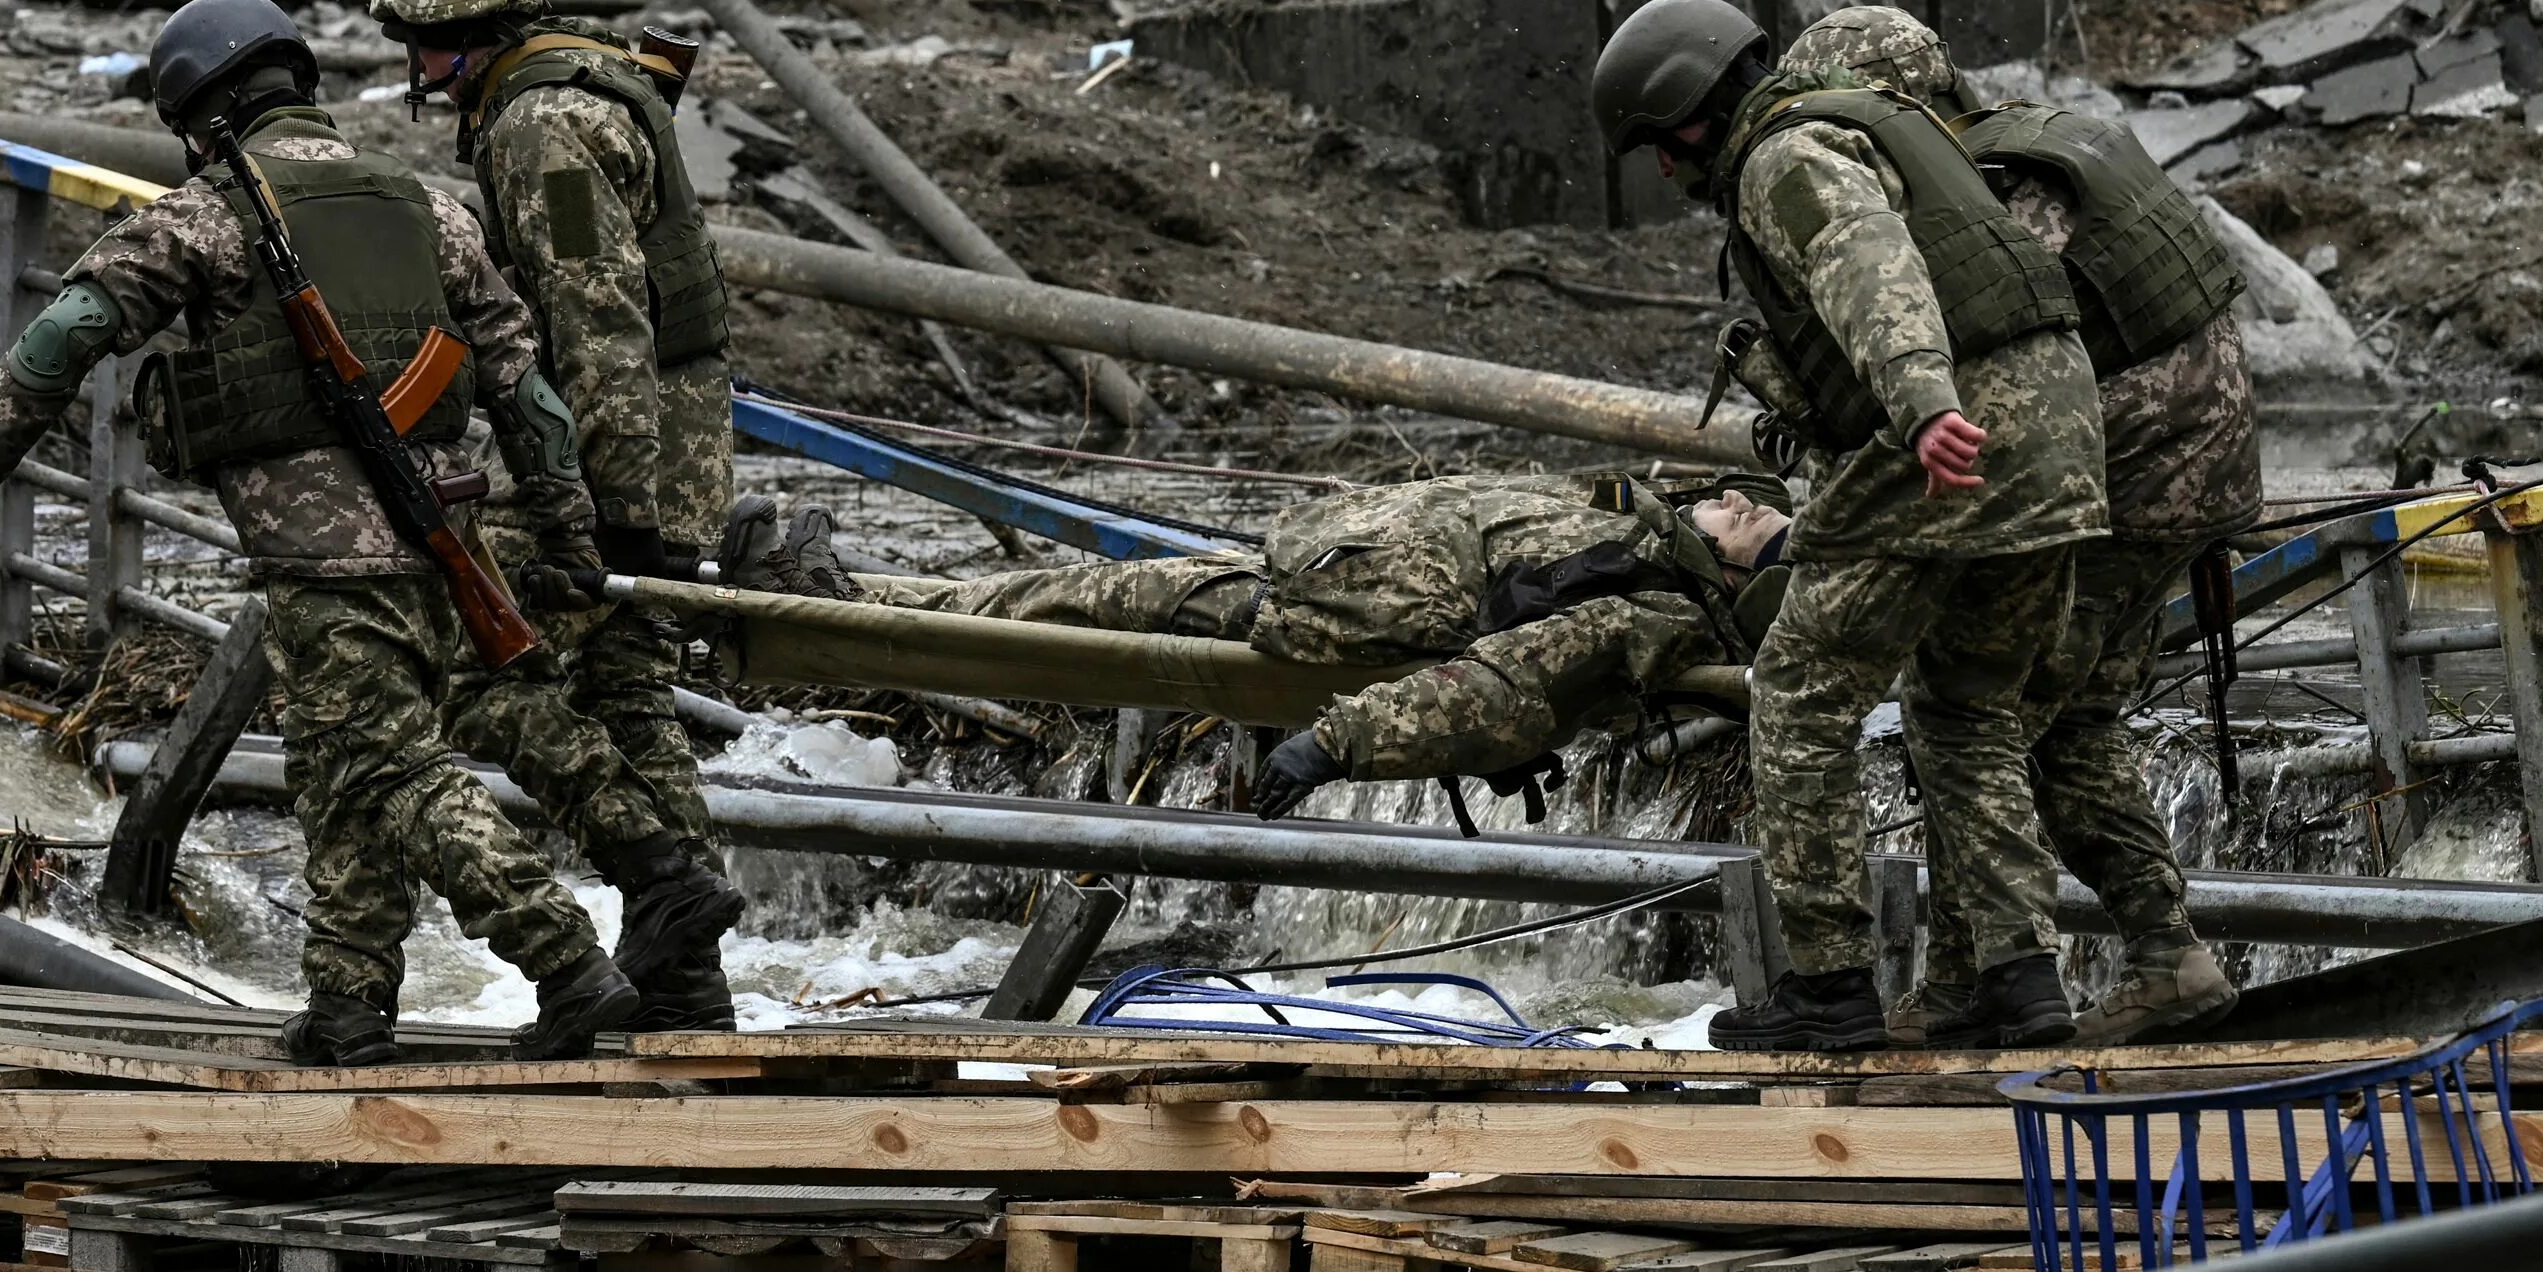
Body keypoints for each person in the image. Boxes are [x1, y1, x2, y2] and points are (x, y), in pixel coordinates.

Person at [0, 0, 637, 1065]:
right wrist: (569, 533)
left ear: (205, 114)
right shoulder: (429, 206)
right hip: (445, 539)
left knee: (394, 772)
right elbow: (525, 388)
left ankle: (572, 964)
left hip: (327, 554)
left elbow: (73, 326)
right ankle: (350, 1005)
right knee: (342, 769)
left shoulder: (209, 214)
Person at [1591, 0, 2110, 1051]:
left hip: (1951, 441)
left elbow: (1872, 265)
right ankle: (2021, 976)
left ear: (1692, 115)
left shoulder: (1787, 157)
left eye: (1658, 145)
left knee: (1798, 694)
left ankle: (1829, 986)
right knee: (1968, 709)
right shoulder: (1881, 127)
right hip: (2061, 441)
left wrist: (1921, 401)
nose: (1662, 172)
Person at [1781, 8, 2253, 1048]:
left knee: (1973, 705)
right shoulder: (2056, 132)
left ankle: (2035, 974)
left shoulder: (1987, 182)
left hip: (2121, 474)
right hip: (2199, 460)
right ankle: (2118, 959)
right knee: (2062, 717)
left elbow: (1995, 336)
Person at [366, 0, 743, 1029]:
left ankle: (660, 885)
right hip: (665, 452)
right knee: (625, 693)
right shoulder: (581, 87)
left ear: (467, 37)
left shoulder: (539, 126)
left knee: (467, 664)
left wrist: (606, 514)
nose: (418, 69)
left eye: (425, 44)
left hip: (616, 463)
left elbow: (599, 319)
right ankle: (685, 977)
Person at [731, 471, 1792, 818]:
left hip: (1304, 616)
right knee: (1061, 595)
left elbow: (1500, 681)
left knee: (1061, 605)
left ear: (1743, 580)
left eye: (1756, 519)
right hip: (1326, 580)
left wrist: (1331, 746)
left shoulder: (1649, 600)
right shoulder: (1640, 526)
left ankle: (822, 608)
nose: (1742, 497)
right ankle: (835, 594)